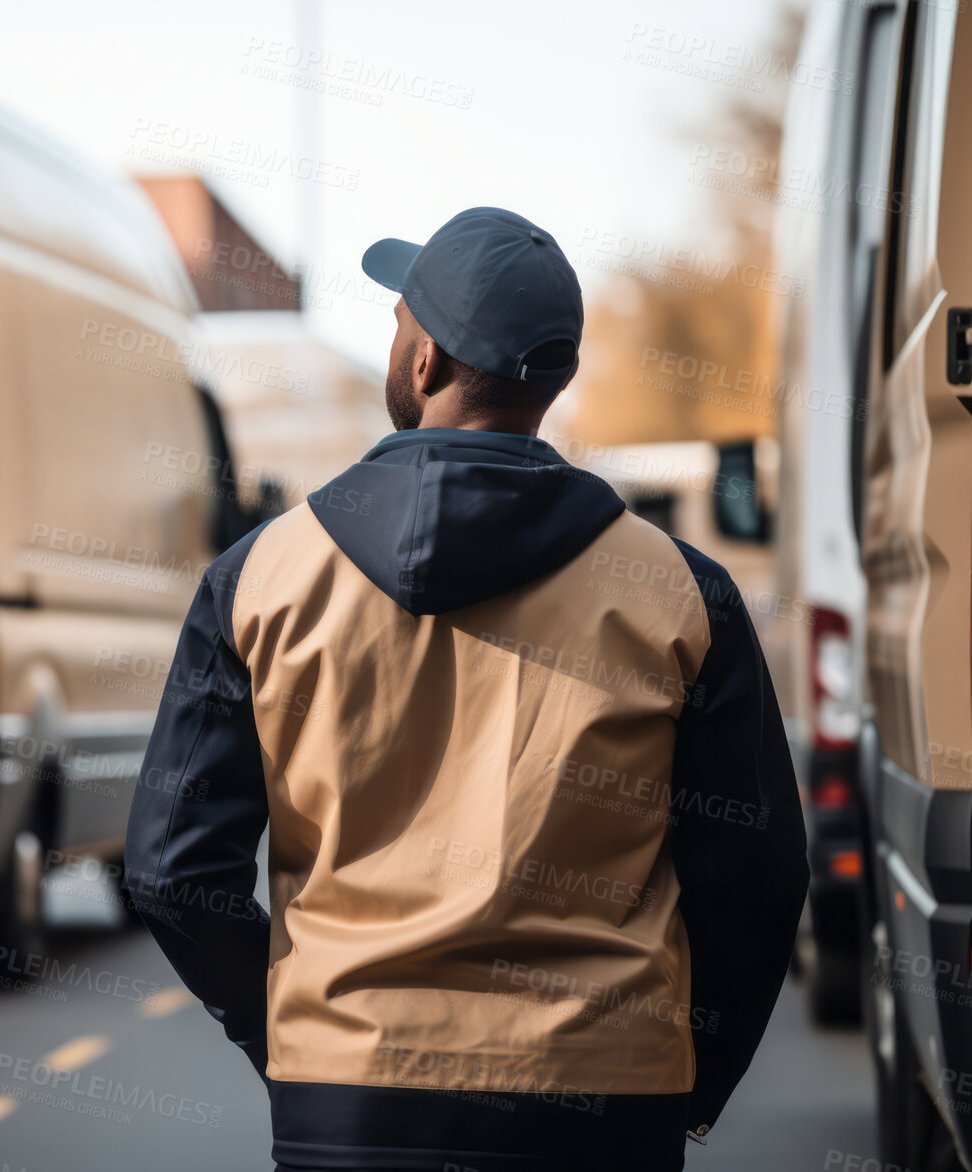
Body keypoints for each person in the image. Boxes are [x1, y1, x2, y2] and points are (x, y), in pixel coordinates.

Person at [124, 207, 808, 1172]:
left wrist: (287, 1034)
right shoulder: (681, 595)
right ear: (555, 376)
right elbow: (758, 880)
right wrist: (693, 1076)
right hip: (605, 1099)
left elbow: (170, 871)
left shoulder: (260, 580)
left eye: (400, 317)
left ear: (424, 362)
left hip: (350, 1094)